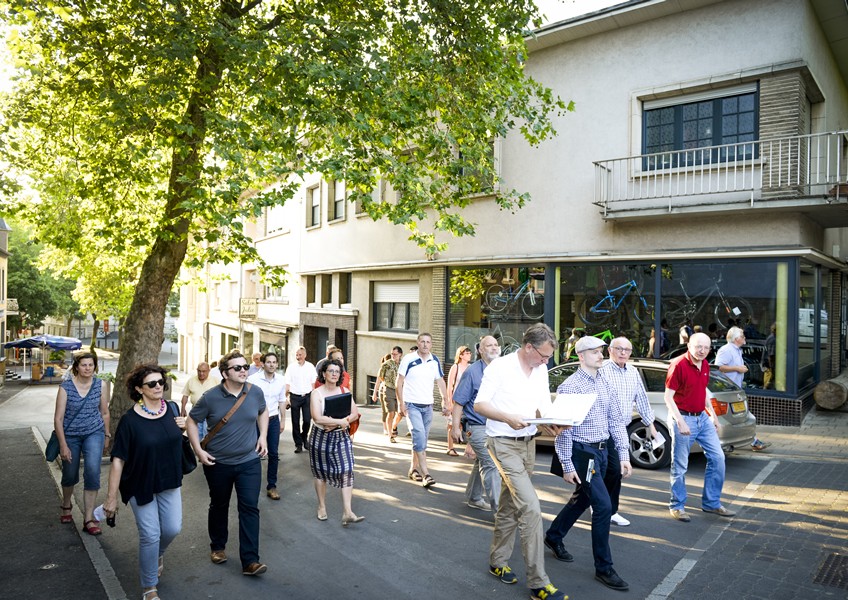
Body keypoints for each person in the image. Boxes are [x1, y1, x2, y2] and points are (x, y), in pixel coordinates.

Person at [473, 323, 570, 600]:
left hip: (529, 444)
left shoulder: (539, 370)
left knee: (508, 506)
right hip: (502, 444)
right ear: (528, 347)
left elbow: (543, 404)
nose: (546, 361)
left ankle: (497, 562)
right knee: (530, 509)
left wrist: (551, 423)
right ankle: (539, 583)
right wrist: (508, 418)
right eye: (543, 355)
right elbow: (481, 405)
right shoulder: (499, 367)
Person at [545, 336, 631, 592]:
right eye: (594, 352)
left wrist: (624, 455)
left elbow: (616, 421)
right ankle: (604, 568)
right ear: (581, 356)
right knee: (603, 507)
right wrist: (567, 465)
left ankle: (553, 536)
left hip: (604, 452)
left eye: (601, 351)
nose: (600, 355)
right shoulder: (570, 387)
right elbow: (564, 430)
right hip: (584, 453)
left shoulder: (606, 381)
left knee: (582, 499)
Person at [104, 364, 185, 600]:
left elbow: (175, 442)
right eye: (152, 384)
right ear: (139, 389)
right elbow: (118, 460)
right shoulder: (130, 421)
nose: (159, 386)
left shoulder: (171, 408)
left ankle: (157, 554)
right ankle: (149, 587)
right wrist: (111, 498)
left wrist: (183, 429)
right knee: (150, 534)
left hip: (169, 480)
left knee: (172, 528)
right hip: (140, 483)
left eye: (161, 382)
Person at [187, 350, 269, 576]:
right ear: (225, 373)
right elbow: (192, 421)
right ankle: (218, 547)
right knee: (219, 505)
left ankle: (251, 561)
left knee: (249, 508)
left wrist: (262, 436)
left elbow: (263, 411)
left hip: (249, 462)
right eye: (238, 368)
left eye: (245, 367)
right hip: (218, 463)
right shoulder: (211, 397)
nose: (244, 371)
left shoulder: (255, 392)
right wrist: (198, 451)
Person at [665, 332, 736, 523]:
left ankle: (711, 503)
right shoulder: (678, 365)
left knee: (718, 457)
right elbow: (668, 397)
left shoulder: (704, 364)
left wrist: (713, 415)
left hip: (702, 419)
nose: (703, 351)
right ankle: (677, 506)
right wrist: (680, 422)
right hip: (683, 417)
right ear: (689, 346)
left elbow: (703, 390)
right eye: (699, 347)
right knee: (680, 465)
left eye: (706, 347)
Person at [599, 336, 657, 527]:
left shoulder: (632, 372)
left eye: (627, 350)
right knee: (600, 470)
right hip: (599, 428)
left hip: (619, 429)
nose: (623, 352)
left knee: (616, 470)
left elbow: (641, 398)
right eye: (619, 349)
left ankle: (610, 510)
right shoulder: (601, 370)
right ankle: (599, 505)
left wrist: (650, 425)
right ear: (610, 351)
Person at [54, 351, 110, 533]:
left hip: (94, 433)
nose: (88, 368)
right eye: (84, 365)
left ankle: (89, 518)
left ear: (95, 367)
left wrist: (107, 435)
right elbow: (58, 419)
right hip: (70, 435)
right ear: (77, 367)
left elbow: (104, 412)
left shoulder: (100, 385)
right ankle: (66, 504)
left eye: (91, 365)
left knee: (93, 471)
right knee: (70, 474)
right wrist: (63, 444)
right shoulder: (66, 387)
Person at [309, 358, 363, 525]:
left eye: (337, 371)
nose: (334, 374)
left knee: (347, 470)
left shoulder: (344, 390)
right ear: (324, 374)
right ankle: (322, 506)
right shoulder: (316, 393)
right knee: (321, 473)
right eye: (330, 371)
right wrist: (340, 422)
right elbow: (317, 417)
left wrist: (342, 421)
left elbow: (355, 412)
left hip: (341, 437)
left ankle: (347, 511)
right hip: (320, 437)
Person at [451, 335, 502, 512]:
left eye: (496, 344)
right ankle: (500, 513)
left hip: (497, 426)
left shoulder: (503, 370)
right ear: (481, 350)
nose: (494, 348)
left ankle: (474, 496)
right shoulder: (472, 372)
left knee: (482, 460)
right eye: (489, 345)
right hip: (476, 426)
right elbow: (458, 402)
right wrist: (455, 428)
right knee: (491, 463)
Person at [396, 332, 448, 488]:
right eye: (423, 341)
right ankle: (426, 474)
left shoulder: (434, 360)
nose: (425, 344)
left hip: (428, 406)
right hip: (412, 405)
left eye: (428, 342)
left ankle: (413, 469)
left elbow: (440, 382)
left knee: (421, 441)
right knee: (419, 436)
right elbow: (399, 382)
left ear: (431, 344)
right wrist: (401, 403)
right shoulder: (408, 359)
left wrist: (446, 401)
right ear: (418, 343)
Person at [714, 327, 771, 452]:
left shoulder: (737, 350)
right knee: (739, 417)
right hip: (728, 391)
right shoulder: (726, 350)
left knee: (741, 417)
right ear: (736, 339)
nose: (744, 338)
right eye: (742, 336)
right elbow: (718, 367)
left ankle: (751, 441)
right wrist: (737, 369)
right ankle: (750, 441)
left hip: (736, 390)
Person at [248, 352, 286, 499]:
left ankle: (272, 486)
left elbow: (282, 401)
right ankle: (252, 485)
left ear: (277, 364)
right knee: (254, 453)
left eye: (274, 362)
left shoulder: (281, 380)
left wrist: (283, 420)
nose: (272, 365)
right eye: (269, 362)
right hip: (255, 421)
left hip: (273, 420)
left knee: (274, 454)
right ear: (263, 364)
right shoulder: (252, 379)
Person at [285, 347, 318, 454]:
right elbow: (287, 383)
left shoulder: (310, 367)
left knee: (307, 420)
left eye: (300, 355)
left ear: (305, 355)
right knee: (295, 421)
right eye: (297, 355)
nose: (298, 357)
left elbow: (313, 383)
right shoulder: (291, 367)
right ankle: (298, 444)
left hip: (307, 396)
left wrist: (313, 398)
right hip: (294, 396)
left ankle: (304, 437)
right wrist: (286, 398)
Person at [445, 345, 472, 456]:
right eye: (467, 353)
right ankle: (450, 447)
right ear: (460, 355)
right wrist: (449, 402)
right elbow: (449, 385)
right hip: (456, 400)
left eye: (470, 353)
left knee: (467, 425)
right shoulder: (455, 367)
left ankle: (469, 449)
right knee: (452, 424)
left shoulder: (471, 367)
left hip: (468, 401)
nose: (469, 355)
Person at [179, 362, 218, 439]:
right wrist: (183, 409)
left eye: (204, 371)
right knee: (197, 433)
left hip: (210, 412)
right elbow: (185, 395)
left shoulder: (215, 381)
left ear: (209, 370)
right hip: (196, 411)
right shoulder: (191, 380)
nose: (201, 373)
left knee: (207, 433)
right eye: (199, 371)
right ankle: (198, 449)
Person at [373, 346, 403, 442]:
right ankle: (390, 435)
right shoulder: (386, 364)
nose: (393, 356)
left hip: (400, 390)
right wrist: (388, 383)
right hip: (389, 390)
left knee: (400, 413)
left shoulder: (403, 364)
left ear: (400, 354)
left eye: (395, 354)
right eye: (392, 354)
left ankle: (394, 426)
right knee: (391, 413)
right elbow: (380, 377)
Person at [762, 323, 776, 390]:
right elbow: (770, 355)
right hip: (768, 364)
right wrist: (772, 368)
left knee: (769, 382)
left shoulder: (772, 337)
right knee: (767, 383)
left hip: (768, 363)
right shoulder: (772, 339)